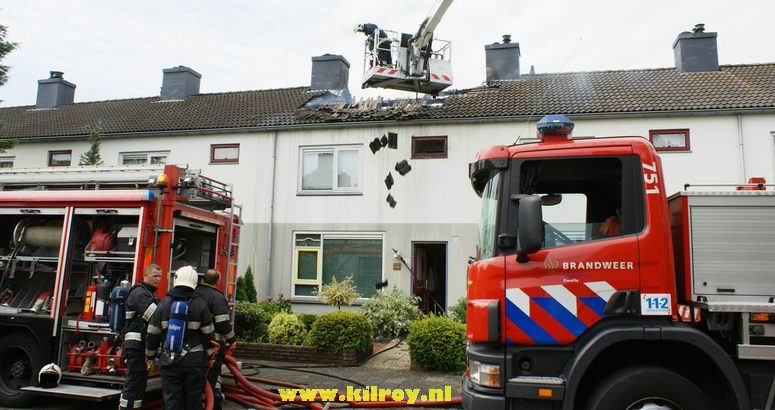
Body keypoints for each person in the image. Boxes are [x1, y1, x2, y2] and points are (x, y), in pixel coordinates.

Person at [146, 266, 215, 410]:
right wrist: (209, 355)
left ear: (175, 280)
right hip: (194, 362)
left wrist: (150, 356)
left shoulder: (164, 304)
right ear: (194, 282)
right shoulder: (200, 305)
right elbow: (208, 334)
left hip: (169, 361)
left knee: (172, 400)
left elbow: (153, 333)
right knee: (193, 400)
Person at [119, 264, 162, 410]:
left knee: (139, 383)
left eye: (160, 276)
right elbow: (155, 317)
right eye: (155, 276)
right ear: (146, 275)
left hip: (140, 345)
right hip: (135, 345)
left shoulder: (149, 293)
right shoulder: (140, 294)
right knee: (133, 382)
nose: (158, 279)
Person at [195, 269, 236, 410]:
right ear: (218, 281)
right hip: (213, 346)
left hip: (193, 346)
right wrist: (232, 340)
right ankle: (213, 402)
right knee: (213, 375)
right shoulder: (217, 297)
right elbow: (223, 323)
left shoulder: (194, 293)